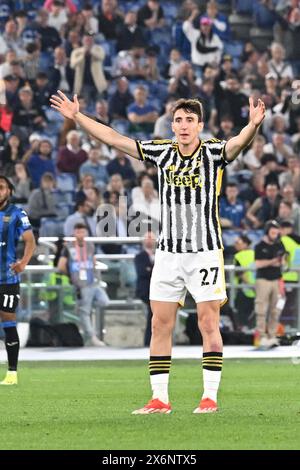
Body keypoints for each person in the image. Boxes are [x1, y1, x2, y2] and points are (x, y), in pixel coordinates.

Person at [50, 91, 265, 413]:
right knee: (159, 324)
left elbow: (237, 143)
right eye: (178, 120)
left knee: (209, 323)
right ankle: (159, 399)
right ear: (172, 125)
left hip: (204, 251)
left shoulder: (213, 153)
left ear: (200, 125)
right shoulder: (162, 152)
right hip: (167, 253)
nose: (183, 125)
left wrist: (253, 125)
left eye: (189, 120)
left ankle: (209, 397)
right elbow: (116, 139)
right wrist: (78, 118)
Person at [0, 175, 36, 385]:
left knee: (8, 320)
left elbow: (30, 240)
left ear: (9, 191)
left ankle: (12, 373)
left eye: (2, 187)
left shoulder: (16, 213)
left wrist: (23, 262)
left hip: (7, 277)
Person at [57, 222, 109, 346]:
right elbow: (61, 266)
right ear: (74, 233)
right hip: (81, 285)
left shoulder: (90, 246)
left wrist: (96, 276)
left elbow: (94, 261)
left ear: (86, 233)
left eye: (82, 231)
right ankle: (92, 337)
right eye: (78, 231)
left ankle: (83, 307)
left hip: (93, 282)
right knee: (85, 312)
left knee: (104, 301)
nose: (80, 234)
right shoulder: (68, 248)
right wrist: (70, 276)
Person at [254, 220, 287, 350]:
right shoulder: (259, 246)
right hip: (263, 280)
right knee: (261, 309)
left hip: (277, 279)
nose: (274, 235)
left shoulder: (280, 245)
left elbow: (283, 262)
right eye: (272, 232)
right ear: (267, 232)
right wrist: (273, 261)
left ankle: (272, 335)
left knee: (276, 310)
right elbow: (258, 264)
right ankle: (261, 336)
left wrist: (281, 262)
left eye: (276, 232)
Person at [134, 232, 156, 346]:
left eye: (151, 238)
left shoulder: (159, 255)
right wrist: (155, 272)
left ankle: (152, 342)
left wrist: (150, 270)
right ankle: (148, 342)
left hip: (157, 290)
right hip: (146, 290)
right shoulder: (140, 256)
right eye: (147, 238)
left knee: (155, 316)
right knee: (152, 315)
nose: (149, 240)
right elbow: (143, 272)